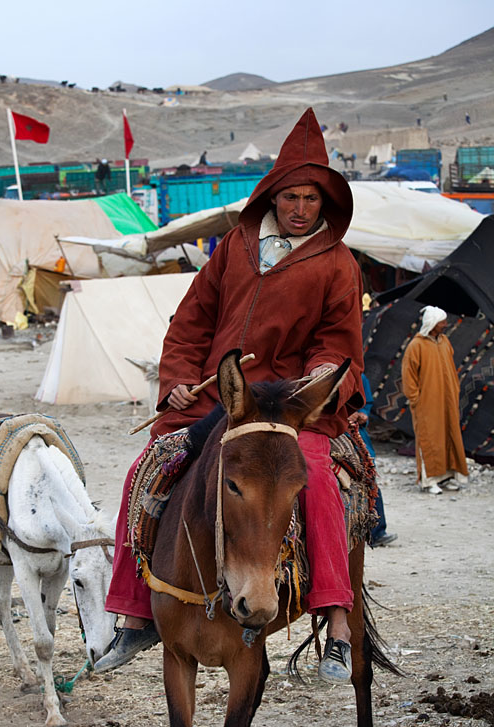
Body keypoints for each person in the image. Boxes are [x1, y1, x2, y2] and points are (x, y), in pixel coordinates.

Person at [95, 107, 365, 684]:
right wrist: (178, 381)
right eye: (290, 197)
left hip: (291, 405)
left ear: (325, 205)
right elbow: (192, 322)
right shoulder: (235, 246)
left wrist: (310, 385)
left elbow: (337, 342)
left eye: (311, 200)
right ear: (272, 196)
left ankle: (336, 620)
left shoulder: (338, 264)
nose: (299, 209)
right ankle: (136, 614)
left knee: (313, 480)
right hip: (220, 398)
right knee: (147, 468)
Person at [401, 306, 468, 495]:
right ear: (432, 324)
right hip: (427, 403)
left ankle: (447, 476)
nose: (446, 325)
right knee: (429, 438)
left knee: (449, 436)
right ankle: (429, 480)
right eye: (442, 322)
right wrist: (416, 400)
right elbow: (409, 376)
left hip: (447, 401)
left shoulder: (444, 341)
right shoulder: (416, 346)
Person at [349, 374, 397, 546]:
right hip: (332, 431)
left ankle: (376, 532)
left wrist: (362, 414)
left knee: (370, 480)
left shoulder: (358, 375)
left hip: (357, 435)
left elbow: (366, 402)